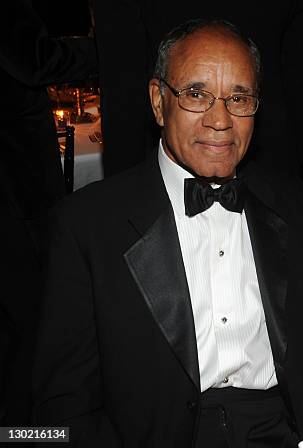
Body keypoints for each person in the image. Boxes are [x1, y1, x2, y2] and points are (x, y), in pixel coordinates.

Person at [33, 19, 303, 446]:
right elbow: (65, 406)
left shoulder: (289, 202)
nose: (220, 120)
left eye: (239, 98)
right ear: (158, 102)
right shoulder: (86, 226)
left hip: (280, 429)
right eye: (197, 95)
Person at [0, 0, 97, 426]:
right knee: (33, 318)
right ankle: (29, 429)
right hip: (15, 185)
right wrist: (112, 50)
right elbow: (33, 61)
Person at [92, 0, 303, 178]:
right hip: (271, 155)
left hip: (269, 164)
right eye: (196, 94)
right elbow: (299, 88)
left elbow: (122, 98)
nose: (219, 122)